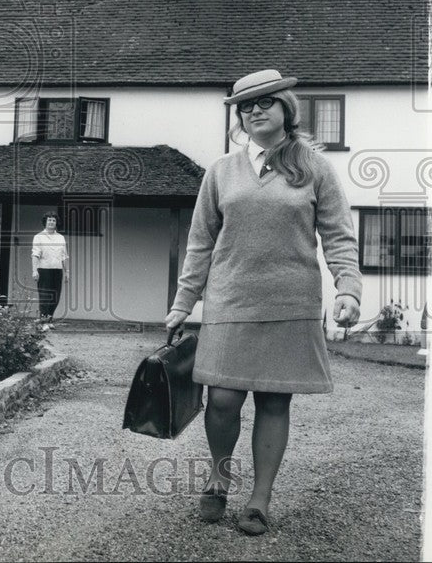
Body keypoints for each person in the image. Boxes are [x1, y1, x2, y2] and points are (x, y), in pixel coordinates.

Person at [164, 69, 361, 536]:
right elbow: (200, 244)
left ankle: (260, 499)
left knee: (275, 402)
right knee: (223, 399)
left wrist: (348, 288)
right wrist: (182, 302)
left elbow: (338, 235)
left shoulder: (315, 167)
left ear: (286, 109)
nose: (254, 110)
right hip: (230, 301)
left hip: (291, 301)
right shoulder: (220, 171)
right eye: (245, 105)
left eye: (264, 102)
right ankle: (218, 479)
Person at [32, 212, 69, 330]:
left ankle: (49, 319)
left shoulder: (60, 238)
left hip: (57, 270)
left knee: (55, 297)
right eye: (49, 220)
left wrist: (67, 271)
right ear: (45, 222)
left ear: (56, 222)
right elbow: (35, 255)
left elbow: (64, 256)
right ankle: (43, 322)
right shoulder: (38, 237)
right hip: (44, 270)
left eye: (53, 220)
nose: (51, 222)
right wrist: (34, 270)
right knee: (44, 296)